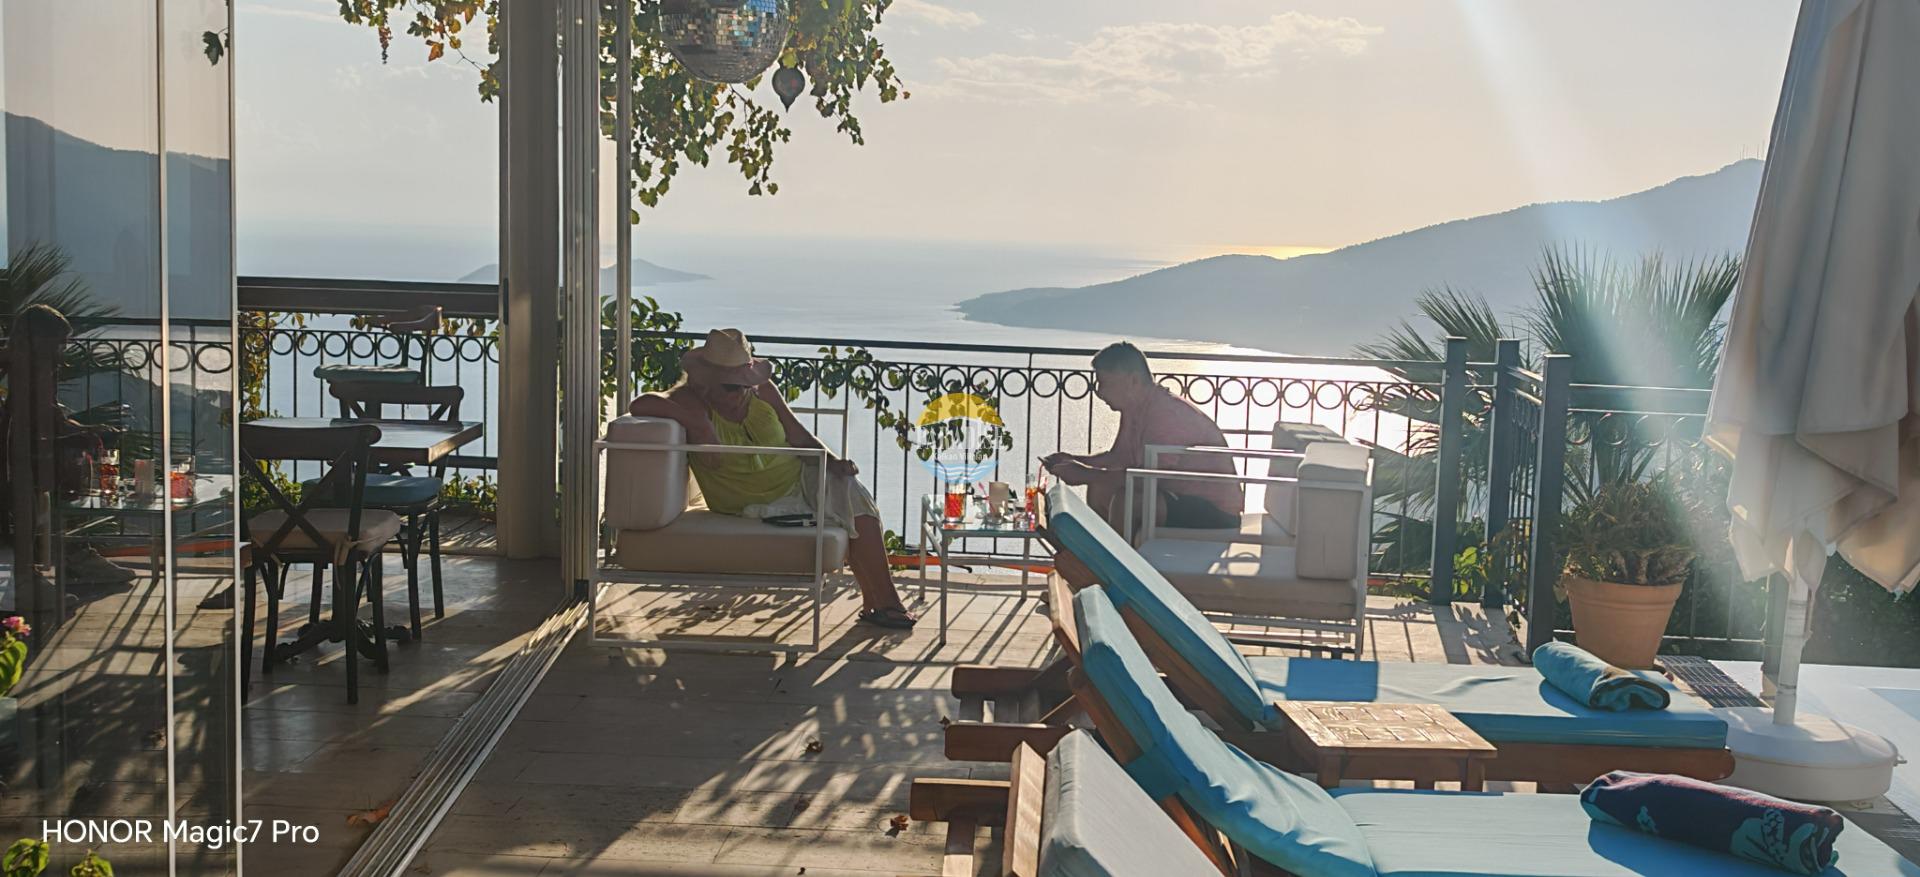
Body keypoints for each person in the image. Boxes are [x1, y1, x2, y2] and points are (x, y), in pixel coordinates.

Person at [628, 329, 918, 629]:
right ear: (706, 382)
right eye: (731, 386)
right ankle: (883, 605)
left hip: (795, 477)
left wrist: (832, 462)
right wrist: (698, 425)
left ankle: (881, 602)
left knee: (852, 493)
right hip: (746, 497)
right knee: (846, 503)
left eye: (746, 384)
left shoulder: (762, 390)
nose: (742, 393)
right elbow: (640, 404)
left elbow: (798, 435)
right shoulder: (690, 402)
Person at [1042, 341, 1242, 535]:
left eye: (1105, 384)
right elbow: (1118, 457)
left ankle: (1117, 556)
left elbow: (1146, 479)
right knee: (1100, 488)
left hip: (1217, 512)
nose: (1100, 392)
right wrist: (1073, 461)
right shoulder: (1134, 408)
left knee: (1128, 501)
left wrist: (1086, 474)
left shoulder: (1166, 413)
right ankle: (1105, 553)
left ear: (1133, 381)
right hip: (1177, 495)